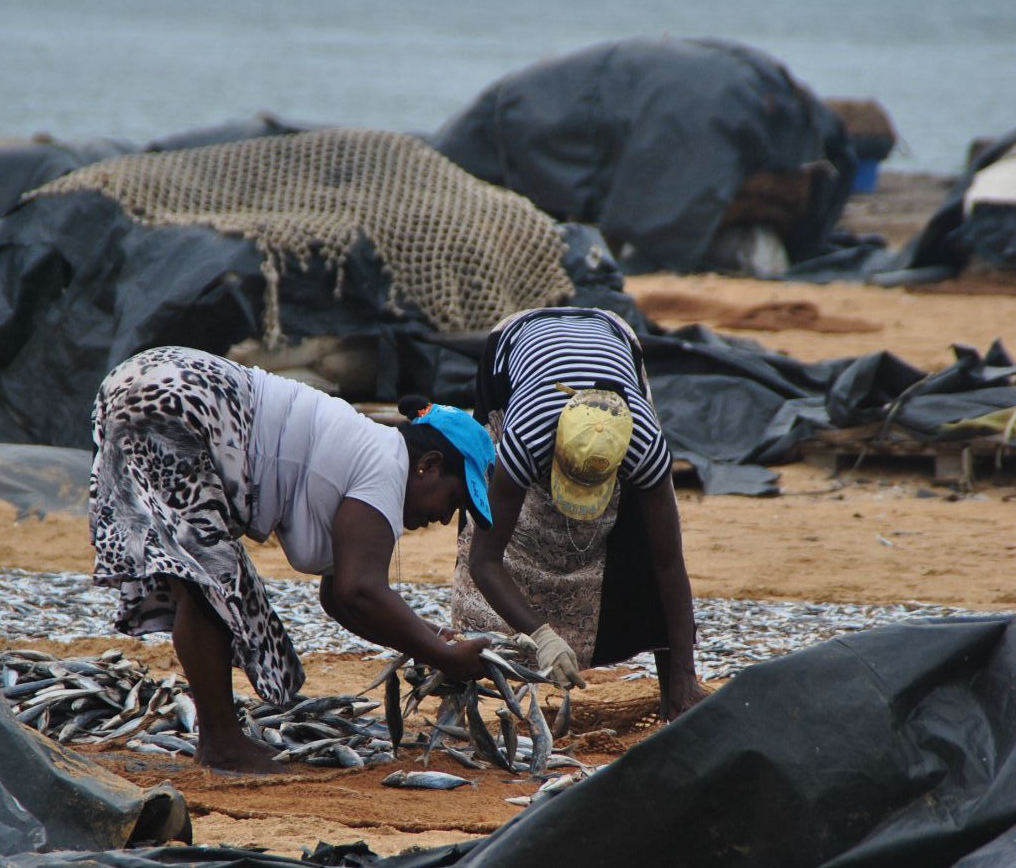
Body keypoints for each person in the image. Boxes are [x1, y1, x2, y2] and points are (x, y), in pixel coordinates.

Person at [90, 345, 494, 772]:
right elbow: (359, 591)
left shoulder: (368, 450)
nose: (444, 517)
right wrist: (445, 656)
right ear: (428, 466)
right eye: (453, 498)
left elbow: (340, 598)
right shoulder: (385, 465)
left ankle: (218, 738)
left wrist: (433, 641)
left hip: (152, 381)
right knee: (211, 582)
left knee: (205, 579)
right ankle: (222, 743)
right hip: (182, 399)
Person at [451, 306, 707, 721]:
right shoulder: (525, 436)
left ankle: (675, 695)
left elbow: (667, 564)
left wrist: (684, 677)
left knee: (637, 534)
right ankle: (462, 675)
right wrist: (542, 636)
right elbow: (484, 560)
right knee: (483, 511)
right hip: (515, 341)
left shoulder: (644, 445)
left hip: (613, 335)